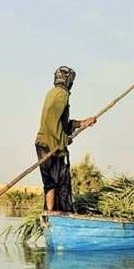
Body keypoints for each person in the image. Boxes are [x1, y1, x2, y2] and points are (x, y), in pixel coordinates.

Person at [35, 66, 97, 212]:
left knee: (52, 182)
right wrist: (62, 139)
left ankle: (51, 214)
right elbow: (51, 119)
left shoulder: (52, 93)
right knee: (56, 183)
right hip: (51, 145)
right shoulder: (62, 94)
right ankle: (52, 215)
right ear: (68, 80)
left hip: (44, 143)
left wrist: (83, 123)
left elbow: (61, 124)